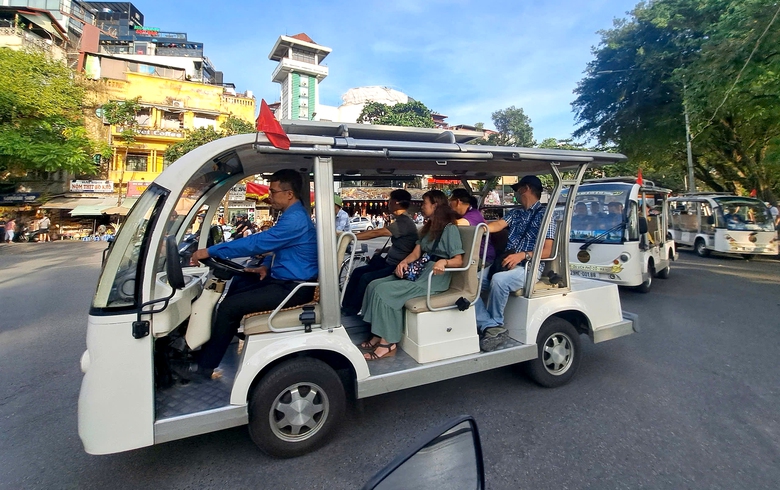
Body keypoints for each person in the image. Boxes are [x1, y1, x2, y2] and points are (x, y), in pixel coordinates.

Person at [178, 169, 318, 380]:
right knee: (238, 282)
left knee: (229, 306)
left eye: (273, 192)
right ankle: (220, 339)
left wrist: (211, 251)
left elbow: (257, 242)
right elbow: (289, 251)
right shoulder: (291, 215)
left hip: (295, 288)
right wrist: (266, 267)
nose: (270, 196)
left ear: (289, 194)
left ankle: (205, 366)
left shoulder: (295, 219)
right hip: (282, 278)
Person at [360, 189, 465, 360]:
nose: (422, 207)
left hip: (435, 278)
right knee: (373, 285)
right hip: (422, 272)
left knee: (384, 292)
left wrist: (444, 262)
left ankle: (388, 342)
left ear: (435, 205)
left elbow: (458, 260)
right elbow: (416, 253)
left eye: (425, 203)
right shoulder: (429, 228)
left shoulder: (449, 230)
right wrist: (404, 262)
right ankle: (378, 333)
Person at [475, 175, 556, 352]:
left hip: (529, 267)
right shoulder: (516, 213)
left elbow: (547, 251)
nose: (516, 194)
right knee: (471, 281)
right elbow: (497, 225)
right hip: (505, 263)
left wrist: (522, 256)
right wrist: (477, 226)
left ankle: (496, 323)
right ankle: (490, 326)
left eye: (517, 190)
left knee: (499, 281)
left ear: (525, 189)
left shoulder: (546, 215)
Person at [341, 189, 419, 316]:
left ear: (396, 202)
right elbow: (402, 244)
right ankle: (346, 306)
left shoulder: (404, 222)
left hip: (396, 266)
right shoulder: (401, 220)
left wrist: (351, 236)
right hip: (389, 261)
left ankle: (352, 310)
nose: (388, 203)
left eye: (389, 200)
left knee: (366, 278)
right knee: (357, 272)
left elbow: (378, 232)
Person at [449, 188, 496, 266]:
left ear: (457, 201)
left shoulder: (474, 215)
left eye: (450, 201)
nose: (449, 204)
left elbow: (455, 224)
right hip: (470, 255)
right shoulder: (461, 215)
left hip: (482, 258)